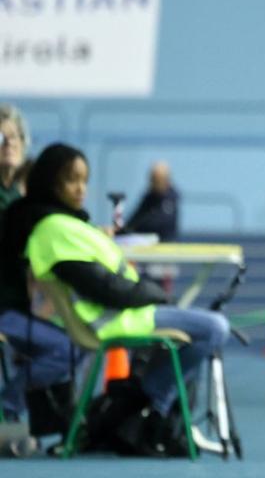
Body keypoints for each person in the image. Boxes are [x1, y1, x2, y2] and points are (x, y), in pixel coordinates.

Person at [6, 144, 229, 449]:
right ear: (50, 181)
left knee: (199, 331)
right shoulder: (54, 228)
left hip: (128, 313)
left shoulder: (64, 222)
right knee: (216, 328)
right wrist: (157, 295)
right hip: (116, 320)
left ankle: (147, 405)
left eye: (85, 180)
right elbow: (103, 289)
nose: (81, 188)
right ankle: (152, 402)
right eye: (72, 179)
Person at [0, 106, 77, 441]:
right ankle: (8, 405)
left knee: (78, 337)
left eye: (13, 137)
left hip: (19, 305)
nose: (8, 144)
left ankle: (60, 425)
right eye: (0, 138)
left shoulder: (22, 196)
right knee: (70, 348)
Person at [124, 161, 180, 243]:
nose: (152, 182)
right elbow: (134, 220)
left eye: (156, 180)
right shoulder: (149, 197)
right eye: (152, 179)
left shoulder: (171, 199)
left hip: (165, 244)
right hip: (145, 243)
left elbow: (162, 225)